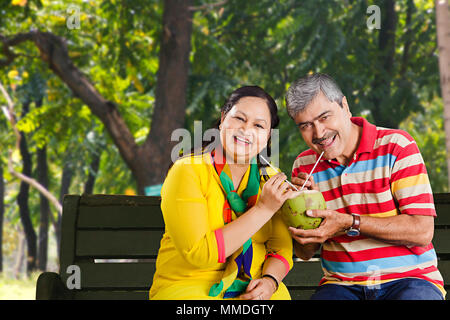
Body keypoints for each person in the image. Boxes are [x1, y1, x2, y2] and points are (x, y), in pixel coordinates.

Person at [285, 73, 446, 300]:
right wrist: (306, 216)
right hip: (341, 286)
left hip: (411, 280)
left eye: (324, 117)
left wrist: (350, 223)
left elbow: (421, 231)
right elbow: (304, 253)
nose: (319, 133)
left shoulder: (397, 146)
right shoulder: (304, 166)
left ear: (344, 106)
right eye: (306, 125)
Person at [149, 86, 296, 300]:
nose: (246, 130)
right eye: (239, 119)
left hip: (254, 286)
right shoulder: (187, 171)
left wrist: (270, 282)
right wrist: (264, 209)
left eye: (258, 125)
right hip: (190, 286)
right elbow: (200, 254)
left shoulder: (271, 178)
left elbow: (281, 249)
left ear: (268, 136)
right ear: (222, 119)